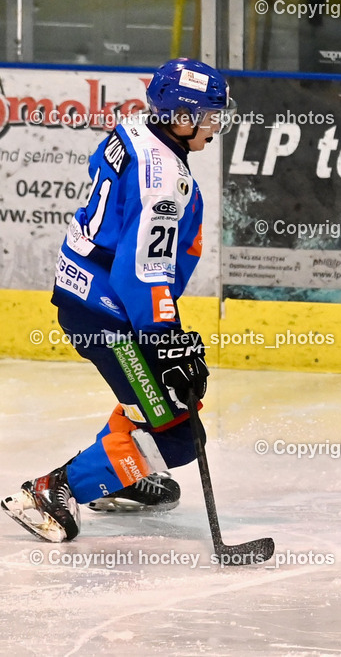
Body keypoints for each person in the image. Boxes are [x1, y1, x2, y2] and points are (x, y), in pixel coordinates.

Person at [1, 58, 235, 542]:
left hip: (94, 296)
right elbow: (140, 271)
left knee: (154, 405)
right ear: (179, 117)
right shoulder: (165, 180)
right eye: (209, 115)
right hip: (109, 311)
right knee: (177, 433)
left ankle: (123, 477)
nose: (216, 124)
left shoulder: (136, 128)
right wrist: (164, 337)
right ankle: (52, 489)